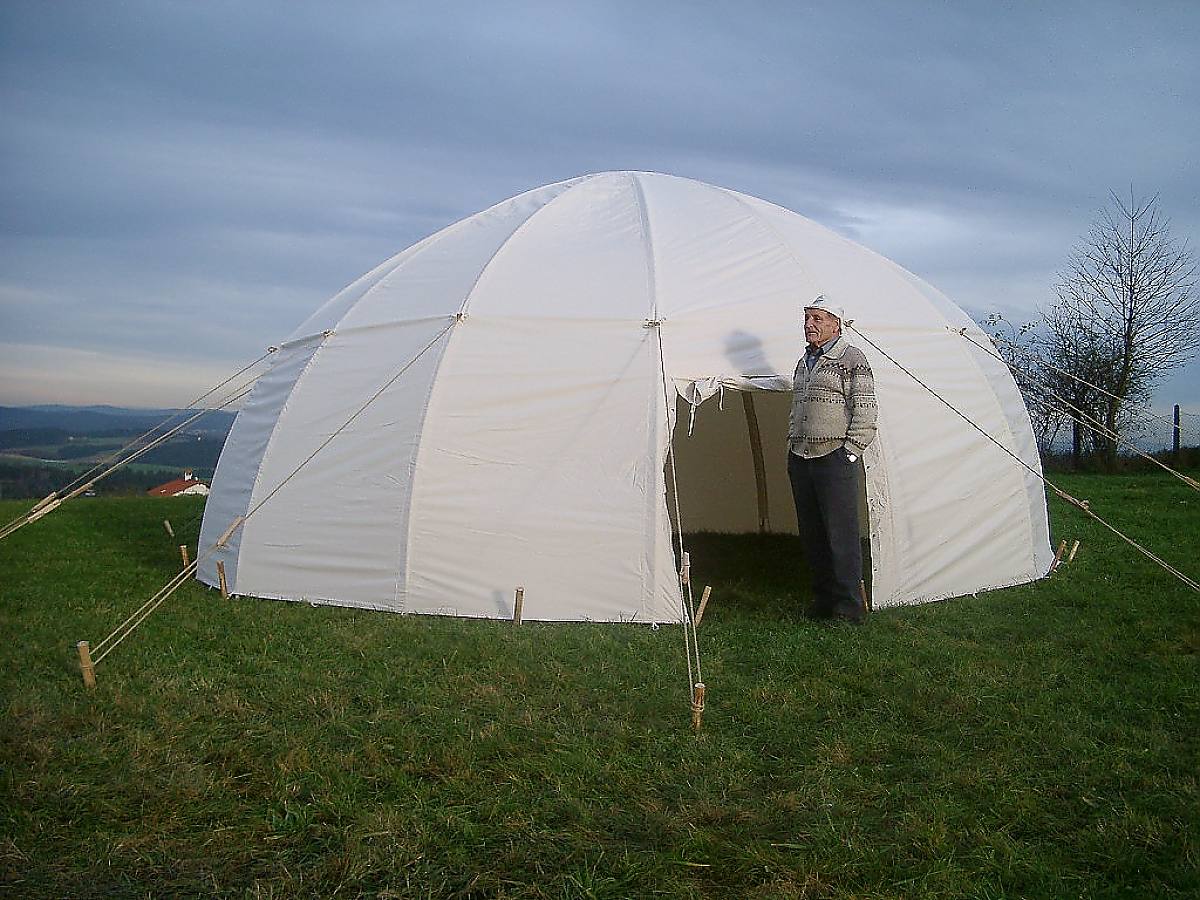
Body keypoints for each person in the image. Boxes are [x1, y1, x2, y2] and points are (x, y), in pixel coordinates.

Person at [787, 294, 877, 623]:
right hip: (801, 456)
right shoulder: (804, 362)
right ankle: (823, 600)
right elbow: (798, 407)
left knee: (841, 535)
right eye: (807, 318)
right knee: (813, 533)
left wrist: (849, 453)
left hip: (834, 457)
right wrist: (792, 441)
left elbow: (865, 409)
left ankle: (848, 607)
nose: (809, 325)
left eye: (818, 319)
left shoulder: (852, 358)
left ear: (836, 324)